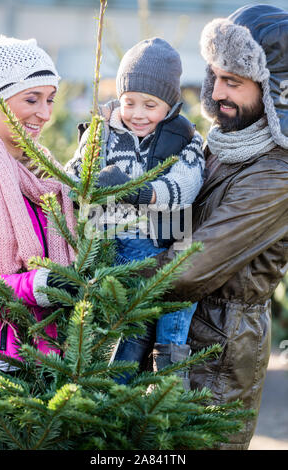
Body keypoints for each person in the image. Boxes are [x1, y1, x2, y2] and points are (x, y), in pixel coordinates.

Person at [153, 4, 288, 449]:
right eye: (215, 76)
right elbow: (177, 219)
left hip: (220, 352)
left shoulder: (276, 173)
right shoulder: (222, 145)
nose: (219, 91)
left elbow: (192, 266)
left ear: (273, 90)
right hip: (178, 332)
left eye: (235, 81)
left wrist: (102, 283)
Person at [65, 37, 205, 387]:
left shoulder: (185, 138)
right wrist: (90, 181)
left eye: (150, 104)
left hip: (167, 244)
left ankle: (171, 378)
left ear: (171, 104)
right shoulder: (102, 134)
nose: (138, 114)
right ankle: (117, 384)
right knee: (130, 323)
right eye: (130, 102)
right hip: (113, 246)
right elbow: (72, 177)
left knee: (178, 303)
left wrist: (136, 190)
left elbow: (187, 186)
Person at [0, 35, 76, 372]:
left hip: (45, 359)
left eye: (51, 100)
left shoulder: (46, 176)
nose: (45, 113)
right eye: (31, 99)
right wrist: (38, 285)